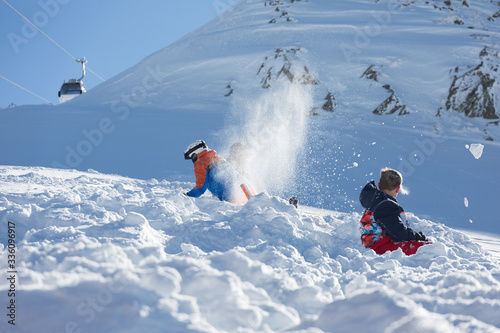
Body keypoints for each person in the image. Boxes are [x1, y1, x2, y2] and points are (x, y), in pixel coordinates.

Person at [359, 167, 429, 255]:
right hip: (381, 246)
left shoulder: (375, 202)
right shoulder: (386, 205)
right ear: (398, 188)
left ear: (379, 185)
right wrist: (416, 237)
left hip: (375, 244)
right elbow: (398, 233)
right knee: (427, 248)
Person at [184, 140, 254, 204]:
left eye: (192, 158)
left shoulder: (201, 163)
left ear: (195, 154)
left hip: (234, 196)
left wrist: (187, 195)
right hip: (249, 188)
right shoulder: (218, 158)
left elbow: (200, 188)